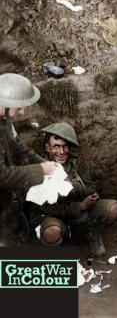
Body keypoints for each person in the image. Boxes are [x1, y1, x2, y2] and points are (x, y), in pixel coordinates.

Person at [26, 122, 117, 257]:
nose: (61, 152)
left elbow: (91, 189)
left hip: (81, 214)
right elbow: (45, 207)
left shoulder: (76, 164)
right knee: (51, 233)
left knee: (115, 209)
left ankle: (92, 233)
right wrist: (80, 206)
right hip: (55, 216)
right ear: (48, 148)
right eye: (57, 146)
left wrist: (72, 187)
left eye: (65, 146)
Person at [0, 73, 58, 240]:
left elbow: (18, 148)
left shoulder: (5, 122)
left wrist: (49, 166)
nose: (23, 112)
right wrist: (40, 170)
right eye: (19, 107)